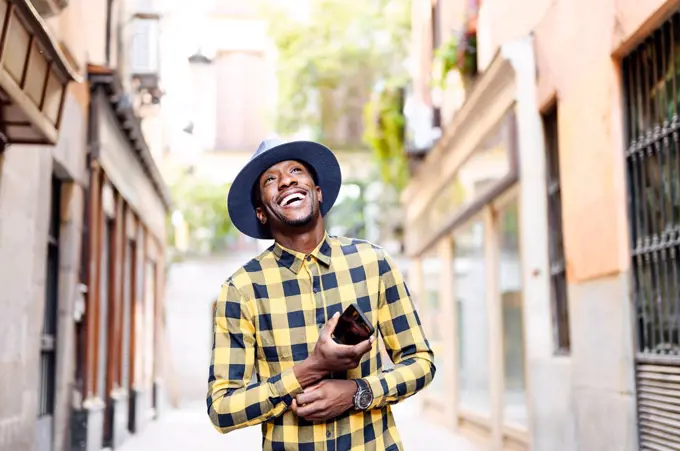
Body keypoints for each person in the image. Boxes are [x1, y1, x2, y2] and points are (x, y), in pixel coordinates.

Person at [207, 138, 435, 451]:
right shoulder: (241, 290)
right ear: (261, 212)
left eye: (296, 171)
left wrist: (357, 392)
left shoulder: (373, 263)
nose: (286, 180)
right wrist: (310, 368)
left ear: (318, 192)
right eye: (271, 180)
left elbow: (420, 361)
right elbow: (222, 409)